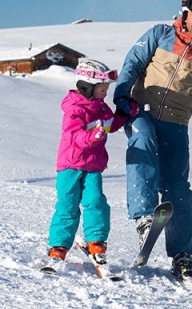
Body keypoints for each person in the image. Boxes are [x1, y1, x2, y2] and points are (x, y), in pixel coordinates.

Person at [113, 0, 192, 279]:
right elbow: (133, 63)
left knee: (177, 186)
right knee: (144, 142)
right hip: (140, 110)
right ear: (184, 14)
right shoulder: (159, 34)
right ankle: (143, 218)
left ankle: (182, 255)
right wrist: (122, 94)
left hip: (176, 121)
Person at [42, 58, 138, 274]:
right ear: (86, 87)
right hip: (70, 166)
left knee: (96, 202)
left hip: (93, 166)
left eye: (106, 89)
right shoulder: (74, 109)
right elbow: (74, 135)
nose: (105, 93)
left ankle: (96, 242)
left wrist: (124, 113)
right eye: (102, 89)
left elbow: (110, 126)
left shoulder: (102, 108)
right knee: (67, 205)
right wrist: (91, 137)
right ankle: (58, 247)